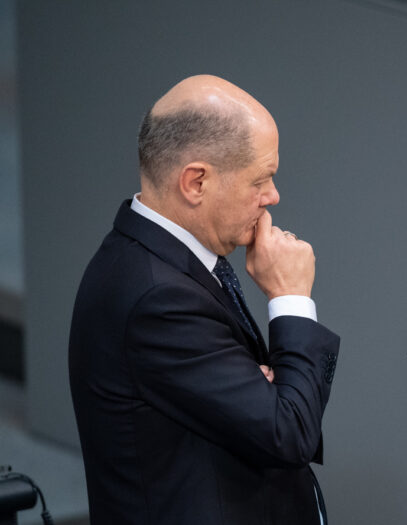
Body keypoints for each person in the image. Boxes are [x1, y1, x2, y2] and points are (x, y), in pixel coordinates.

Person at [69, 75, 340, 525]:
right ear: (196, 182)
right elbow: (288, 431)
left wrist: (266, 390)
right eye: (262, 179)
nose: (273, 196)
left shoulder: (168, 259)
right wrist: (291, 300)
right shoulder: (158, 298)